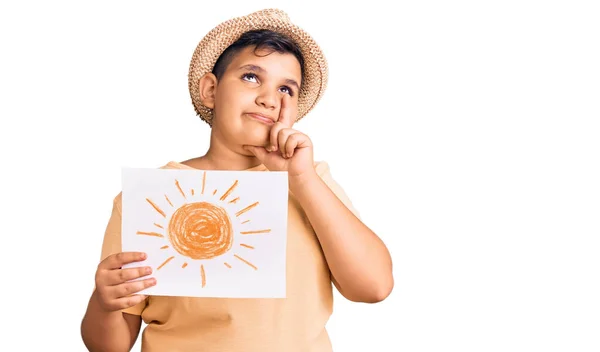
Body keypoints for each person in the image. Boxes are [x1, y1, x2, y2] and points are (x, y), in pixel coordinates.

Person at [81, 8, 393, 352]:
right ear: (211, 90)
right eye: (251, 77)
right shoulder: (150, 198)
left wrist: (301, 179)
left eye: (287, 88)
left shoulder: (311, 182)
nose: (269, 98)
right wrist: (105, 302)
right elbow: (110, 345)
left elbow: (374, 287)